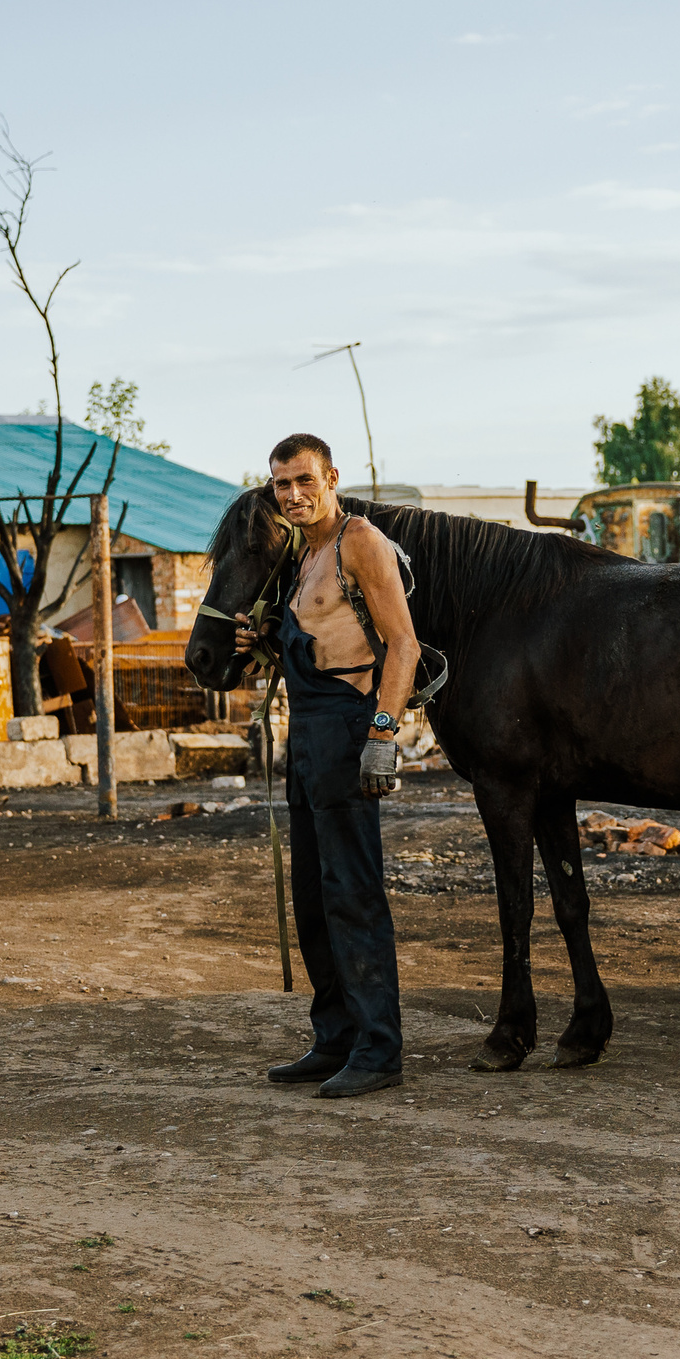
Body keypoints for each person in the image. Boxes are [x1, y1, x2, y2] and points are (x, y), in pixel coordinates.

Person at [235, 433, 422, 1099]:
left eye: (304, 480)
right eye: (282, 484)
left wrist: (383, 732)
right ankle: (335, 1036)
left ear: (331, 475)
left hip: (347, 725)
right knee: (314, 895)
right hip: (305, 734)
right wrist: (262, 640)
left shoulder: (357, 541)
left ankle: (379, 1048)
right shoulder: (304, 553)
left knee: (353, 892)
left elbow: (403, 644)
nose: (293, 494)